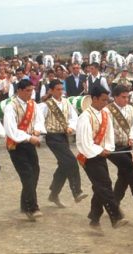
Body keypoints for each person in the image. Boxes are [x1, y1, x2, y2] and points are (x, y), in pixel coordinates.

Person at [76, 85, 127, 230]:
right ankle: (115, 216)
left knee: (101, 186)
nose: (106, 103)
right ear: (94, 99)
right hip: (88, 156)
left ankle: (94, 216)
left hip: (100, 154)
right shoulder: (84, 117)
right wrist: (99, 150)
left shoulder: (105, 114)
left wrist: (108, 148)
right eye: (103, 100)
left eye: (107, 100)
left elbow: (109, 136)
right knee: (105, 184)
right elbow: (84, 143)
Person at [40, 79, 87, 208]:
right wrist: (40, 133)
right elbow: (39, 120)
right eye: (58, 89)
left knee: (63, 165)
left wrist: (71, 127)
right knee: (71, 161)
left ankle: (54, 193)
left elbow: (73, 117)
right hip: (53, 137)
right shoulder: (45, 105)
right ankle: (77, 191)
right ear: (51, 90)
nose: (60, 92)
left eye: (62, 89)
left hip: (64, 137)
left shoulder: (66, 102)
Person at [4, 79, 46, 221]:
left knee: (35, 173)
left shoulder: (33, 104)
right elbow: (11, 130)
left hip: (30, 143)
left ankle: (25, 204)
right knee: (27, 175)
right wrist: (28, 137)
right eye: (27, 90)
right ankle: (32, 207)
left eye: (32, 90)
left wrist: (37, 130)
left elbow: (39, 120)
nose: (30, 93)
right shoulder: (11, 106)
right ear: (19, 91)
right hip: (16, 145)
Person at [105, 85, 133, 207]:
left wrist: (132, 137)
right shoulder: (107, 111)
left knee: (123, 176)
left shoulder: (130, 109)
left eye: (127, 97)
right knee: (131, 169)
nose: (126, 100)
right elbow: (106, 130)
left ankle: (114, 202)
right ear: (115, 97)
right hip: (114, 148)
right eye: (123, 97)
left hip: (126, 147)